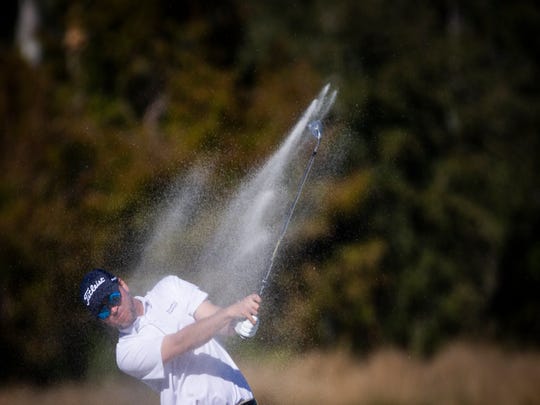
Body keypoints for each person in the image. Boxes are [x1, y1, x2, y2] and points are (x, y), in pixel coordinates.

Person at [80, 268, 261, 405]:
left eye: (112, 298)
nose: (113, 310)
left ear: (122, 285)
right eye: (102, 311)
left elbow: (213, 317)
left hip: (243, 400)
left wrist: (237, 324)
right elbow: (180, 342)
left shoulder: (169, 287)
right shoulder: (126, 353)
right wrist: (229, 313)